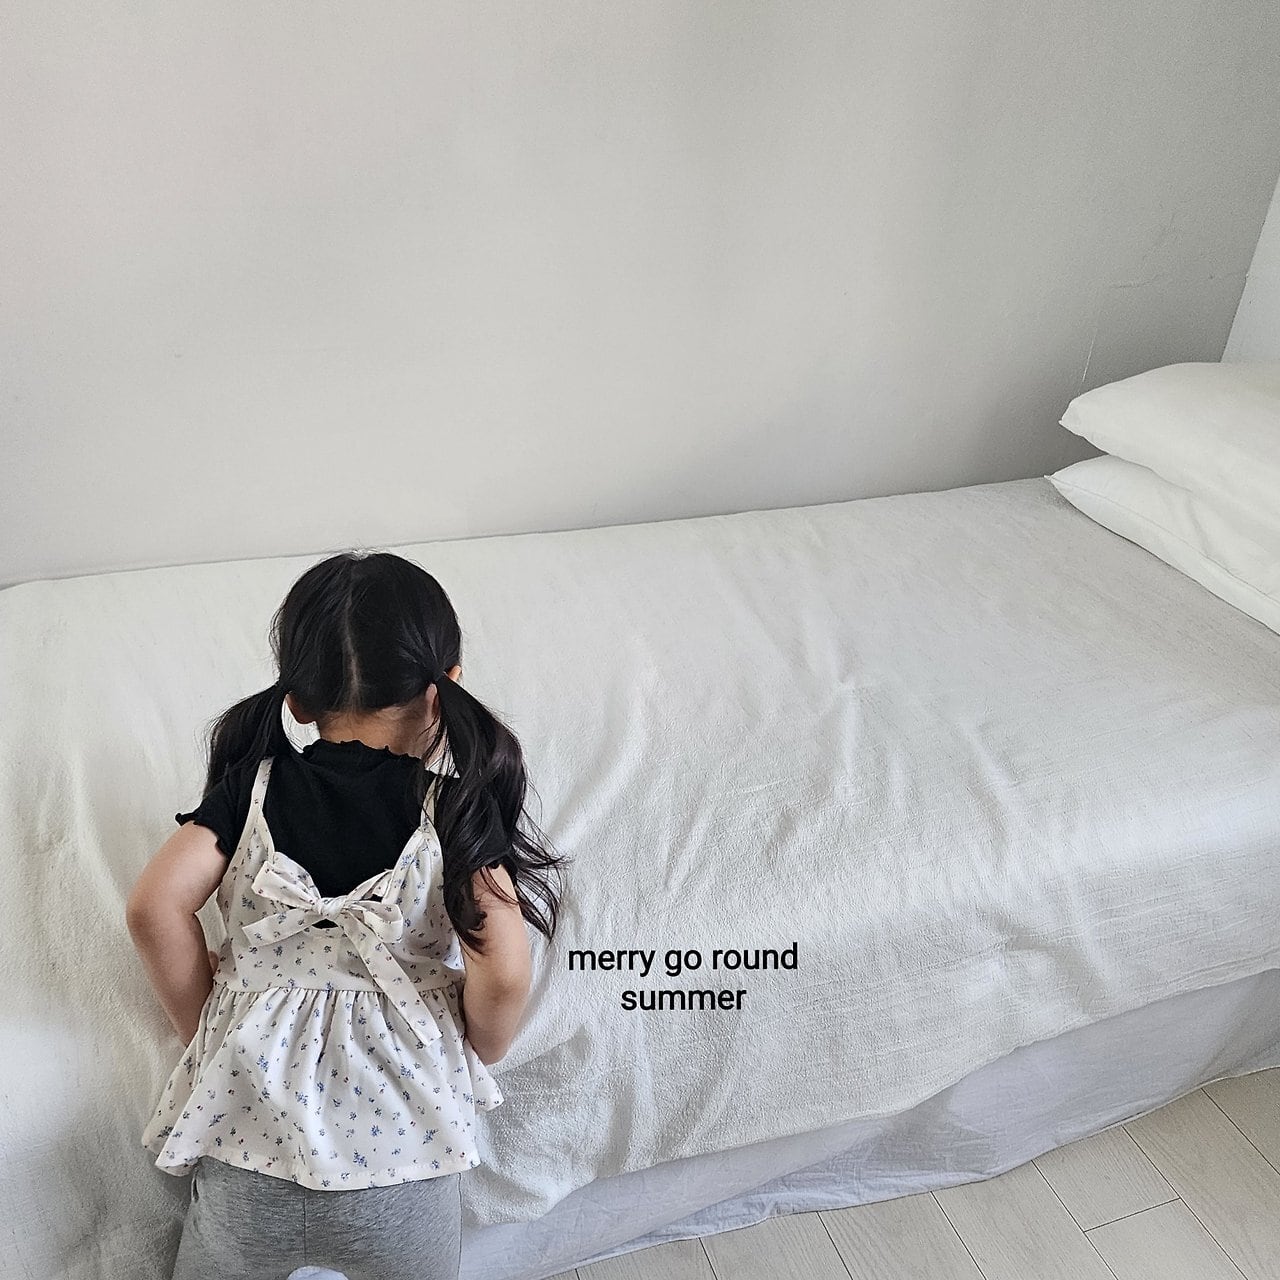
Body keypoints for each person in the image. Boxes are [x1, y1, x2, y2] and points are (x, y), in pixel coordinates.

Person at [126, 550, 567, 1280]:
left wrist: (201, 1017)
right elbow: (507, 969)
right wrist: (482, 1045)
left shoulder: (249, 792)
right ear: (443, 690)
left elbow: (152, 907)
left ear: (298, 700)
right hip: (404, 1158)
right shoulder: (454, 810)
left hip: (250, 1143)